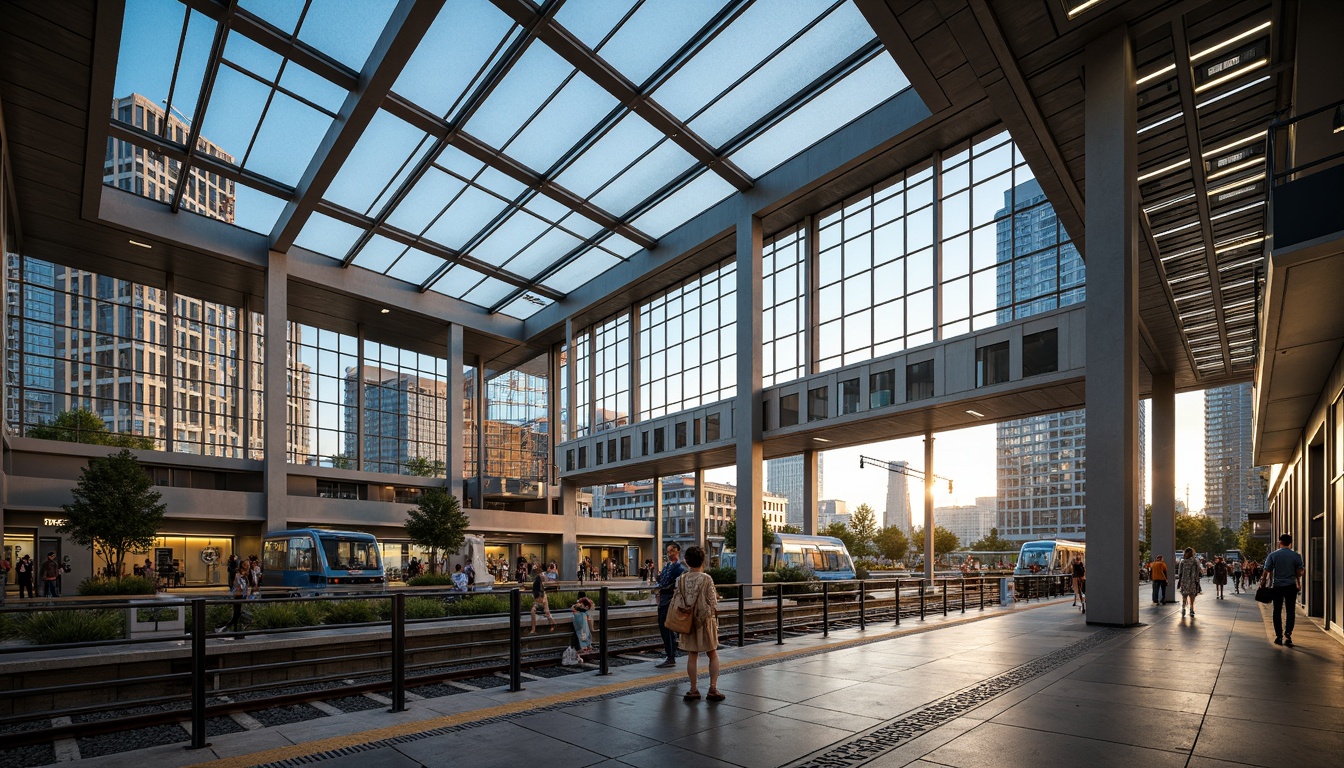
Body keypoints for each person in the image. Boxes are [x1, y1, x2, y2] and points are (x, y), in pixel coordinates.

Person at [673, 545, 723, 702]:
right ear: (703, 560)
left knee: (692, 655)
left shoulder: (681, 579)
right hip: (706, 622)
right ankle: (713, 688)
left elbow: (678, 599)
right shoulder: (707, 579)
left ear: (687, 562)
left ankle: (693, 689)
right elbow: (713, 602)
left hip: (688, 622)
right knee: (712, 653)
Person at [1261, 533, 1305, 647]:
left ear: (1280, 542)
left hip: (1278, 586)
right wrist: (1298, 581)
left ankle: (1279, 636)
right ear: (1290, 543)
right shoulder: (1296, 556)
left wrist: (1262, 584)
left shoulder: (1273, 555)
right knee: (1290, 611)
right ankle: (1288, 634)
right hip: (1291, 586)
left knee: (1277, 610)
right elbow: (1300, 572)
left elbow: (1267, 570)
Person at [652, 542, 686, 668]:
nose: (669, 553)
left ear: (677, 551)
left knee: (667, 628)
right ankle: (669, 655)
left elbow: (670, 582)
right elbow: (662, 580)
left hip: (670, 600)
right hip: (663, 599)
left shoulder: (680, 568)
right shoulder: (668, 566)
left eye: (671, 551)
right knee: (663, 627)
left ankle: (671, 656)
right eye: (668, 551)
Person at [1177, 547, 1202, 618]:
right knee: (1192, 596)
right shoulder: (1195, 561)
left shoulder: (1182, 561)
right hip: (1193, 581)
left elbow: (1180, 572)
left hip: (1184, 581)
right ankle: (1191, 609)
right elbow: (1198, 571)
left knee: (1184, 595)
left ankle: (1183, 608)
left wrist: (1180, 580)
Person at [529, 566, 555, 634]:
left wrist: (542, 599)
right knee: (543, 612)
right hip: (538, 598)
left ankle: (552, 624)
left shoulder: (539, 579)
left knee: (546, 612)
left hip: (541, 598)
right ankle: (533, 630)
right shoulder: (537, 580)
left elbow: (542, 589)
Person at [571, 593, 594, 659]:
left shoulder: (579, 614)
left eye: (581, 604)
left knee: (578, 640)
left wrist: (575, 606)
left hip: (580, 633)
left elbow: (573, 609)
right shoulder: (585, 614)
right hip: (585, 632)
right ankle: (586, 648)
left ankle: (579, 652)